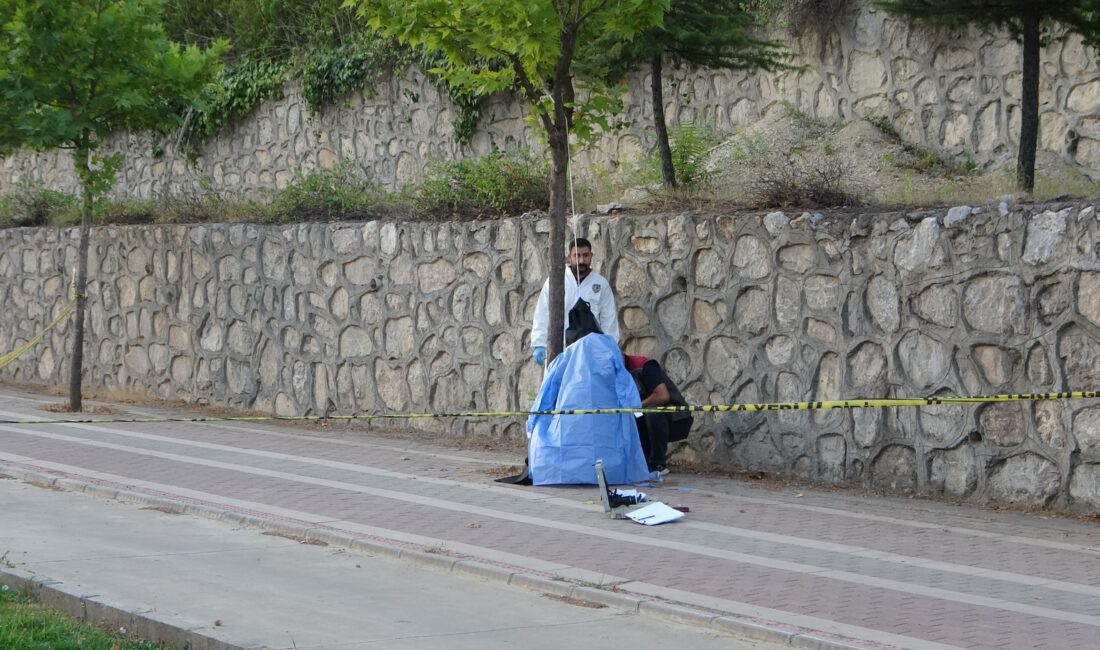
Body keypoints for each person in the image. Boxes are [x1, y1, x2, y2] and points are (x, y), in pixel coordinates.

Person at [530, 238, 619, 366]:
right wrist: (539, 343)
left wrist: (610, 349)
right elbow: (542, 312)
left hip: (591, 353)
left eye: (585, 255)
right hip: (560, 351)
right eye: (576, 255)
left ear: (591, 256)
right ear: (569, 257)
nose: (581, 260)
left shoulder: (601, 284)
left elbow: (609, 320)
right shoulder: (556, 281)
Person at [624, 353, 693, 476]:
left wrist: (637, 405)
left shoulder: (644, 365)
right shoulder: (615, 374)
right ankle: (643, 463)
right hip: (645, 416)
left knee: (652, 412)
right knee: (631, 417)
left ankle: (657, 464)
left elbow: (662, 396)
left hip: (676, 417)